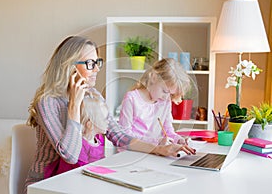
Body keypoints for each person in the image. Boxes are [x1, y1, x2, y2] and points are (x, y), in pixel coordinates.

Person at [24, 36, 195, 192]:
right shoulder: (48, 102)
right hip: (47, 184)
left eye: (98, 62)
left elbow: (118, 135)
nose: (97, 69)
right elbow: (70, 155)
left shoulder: (93, 95)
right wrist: (75, 104)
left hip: (79, 178)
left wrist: (159, 149)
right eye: (90, 64)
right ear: (69, 67)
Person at [119, 58, 191, 145]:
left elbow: (168, 130)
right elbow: (125, 136)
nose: (166, 97)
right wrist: (156, 142)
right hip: (132, 153)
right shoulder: (132, 99)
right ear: (153, 77)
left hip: (154, 152)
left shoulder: (165, 101)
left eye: (170, 94)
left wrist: (178, 139)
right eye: (165, 91)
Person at [44, 92, 109, 178]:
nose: (108, 122)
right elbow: (81, 170)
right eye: (104, 119)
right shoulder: (79, 144)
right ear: (90, 124)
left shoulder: (99, 139)